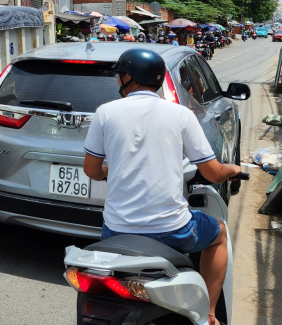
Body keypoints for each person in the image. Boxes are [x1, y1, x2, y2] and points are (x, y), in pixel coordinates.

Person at [82, 49, 242, 325]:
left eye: (120, 76)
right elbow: (213, 173)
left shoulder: (105, 112)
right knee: (220, 233)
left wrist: (110, 171)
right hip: (174, 232)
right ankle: (209, 314)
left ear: (128, 77)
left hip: (116, 231)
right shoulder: (180, 115)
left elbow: (92, 170)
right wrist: (234, 169)